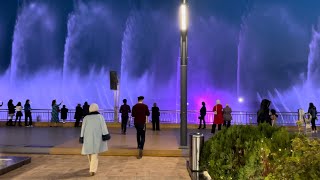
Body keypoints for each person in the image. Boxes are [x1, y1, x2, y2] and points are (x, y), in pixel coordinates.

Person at [80, 103, 110, 176]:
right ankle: (92, 169)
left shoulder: (86, 118)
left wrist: (81, 136)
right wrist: (106, 134)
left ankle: (92, 168)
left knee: (89, 152)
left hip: (87, 137)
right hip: (97, 137)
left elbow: (83, 128)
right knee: (94, 153)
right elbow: (103, 127)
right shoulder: (100, 117)